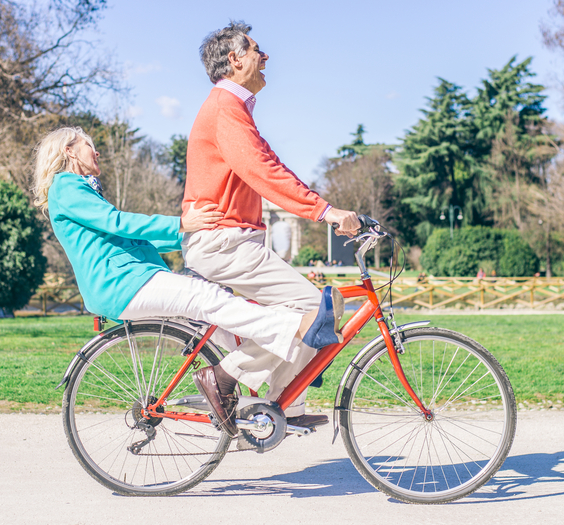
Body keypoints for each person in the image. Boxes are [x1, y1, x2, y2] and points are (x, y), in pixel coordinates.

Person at [32, 127, 344, 436]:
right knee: (207, 297)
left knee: (227, 332)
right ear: (69, 151)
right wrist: (182, 223)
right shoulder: (67, 187)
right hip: (123, 283)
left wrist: (191, 235)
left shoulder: (79, 190)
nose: (96, 151)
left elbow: (126, 235)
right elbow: (118, 223)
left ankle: (262, 411)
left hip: (131, 281)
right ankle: (293, 328)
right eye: (88, 145)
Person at [180, 21, 361, 431]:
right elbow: (262, 171)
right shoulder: (225, 108)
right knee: (318, 308)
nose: (266, 58)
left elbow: (271, 165)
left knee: (319, 310)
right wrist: (324, 212)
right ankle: (224, 378)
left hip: (234, 242)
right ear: (235, 58)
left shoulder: (234, 108)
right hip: (226, 244)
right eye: (258, 50)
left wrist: (325, 206)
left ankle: (275, 405)